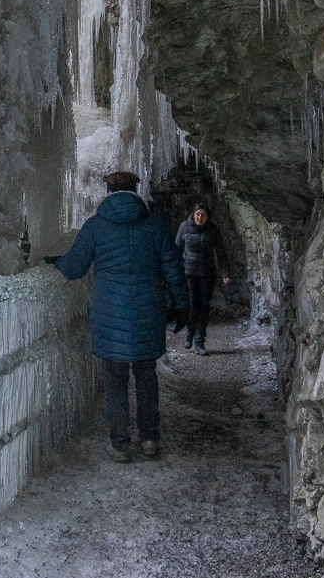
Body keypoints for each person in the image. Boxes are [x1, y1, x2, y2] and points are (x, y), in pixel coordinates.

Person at [44, 170, 188, 462]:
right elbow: (174, 268)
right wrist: (182, 305)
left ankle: (120, 443)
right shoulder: (155, 225)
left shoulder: (96, 226)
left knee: (115, 379)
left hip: (110, 313)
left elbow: (74, 269)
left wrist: (57, 261)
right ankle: (149, 439)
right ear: (135, 190)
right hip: (148, 310)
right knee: (146, 376)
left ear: (108, 191)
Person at [174, 202, 230, 355]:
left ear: (208, 217)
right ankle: (190, 333)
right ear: (193, 214)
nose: (200, 217)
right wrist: (175, 273)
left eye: (203, 215)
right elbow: (177, 250)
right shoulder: (184, 227)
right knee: (192, 305)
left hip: (207, 273)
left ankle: (199, 342)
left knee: (204, 306)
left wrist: (225, 273)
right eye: (198, 214)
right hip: (189, 273)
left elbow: (221, 253)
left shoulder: (213, 230)